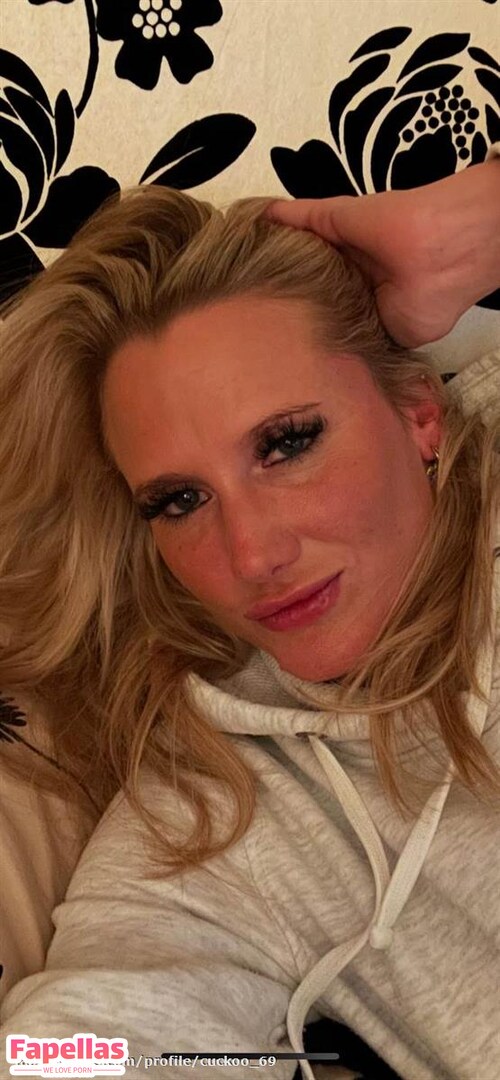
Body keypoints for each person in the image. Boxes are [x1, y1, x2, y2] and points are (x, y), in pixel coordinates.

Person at [0, 144, 499, 1080]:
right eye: (180, 500)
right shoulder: (219, 801)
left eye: (287, 444)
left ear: (419, 413)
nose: (252, 555)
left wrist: (476, 222)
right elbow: (78, 1048)